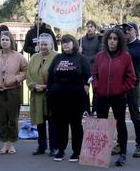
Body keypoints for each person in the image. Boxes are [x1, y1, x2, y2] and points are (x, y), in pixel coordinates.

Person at [92, 28, 136, 167]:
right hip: (101, 96)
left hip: (118, 97)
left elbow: (131, 78)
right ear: (106, 40)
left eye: (115, 39)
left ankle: (122, 153)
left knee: (121, 124)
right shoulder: (100, 56)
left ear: (119, 41)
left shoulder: (125, 56)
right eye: (110, 38)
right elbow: (94, 75)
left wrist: (121, 90)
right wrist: (97, 87)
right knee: (101, 125)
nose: (112, 41)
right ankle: (100, 154)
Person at [48, 34, 90, 162]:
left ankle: (77, 152)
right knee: (60, 124)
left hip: (76, 98)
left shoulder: (81, 58)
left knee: (76, 125)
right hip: (58, 99)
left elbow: (88, 77)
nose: (65, 44)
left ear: (74, 43)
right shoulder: (57, 58)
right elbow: (50, 76)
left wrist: (85, 90)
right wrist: (50, 91)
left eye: (68, 42)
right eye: (63, 42)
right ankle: (61, 150)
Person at [0, 31, 28, 154]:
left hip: (13, 90)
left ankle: (12, 143)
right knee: (1, 117)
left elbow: (25, 71)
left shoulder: (19, 57)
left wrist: (16, 79)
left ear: (11, 42)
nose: (4, 42)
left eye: (7, 40)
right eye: (2, 40)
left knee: (13, 118)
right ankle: (5, 143)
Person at [116, 22, 140, 158]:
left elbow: (130, 56)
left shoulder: (139, 45)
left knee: (135, 115)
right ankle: (120, 143)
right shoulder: (121, 46)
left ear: (135, 31)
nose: (126, 32)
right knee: (119, 116)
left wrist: (121, 43)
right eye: (124, 30)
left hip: (133, 84)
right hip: (119, 84)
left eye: (128, 29)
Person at [27, 34, 59, 156]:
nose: (43, 46)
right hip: (37, 95)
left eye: (46, 44)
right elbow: (28, 75)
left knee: (52, 122)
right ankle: (41, 146)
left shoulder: (57, 57)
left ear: (51, 44)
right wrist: (34, 86)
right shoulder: (34, 57)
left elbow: (58, 76)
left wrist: (47, 86)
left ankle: (54, 147)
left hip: (51, 95)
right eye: (41, 44)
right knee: (40, 122)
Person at [79, 20, 102, 115]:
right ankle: (85, 110)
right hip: (84, 69)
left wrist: (86, 57)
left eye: (91, 26)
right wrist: (79, 51)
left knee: (96, 89)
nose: (89, 28)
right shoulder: (82, 40)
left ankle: (95, 109)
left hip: (95, 68)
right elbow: (78, 54)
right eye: (88, 26)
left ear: (95, 28)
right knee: (85, 89)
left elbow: (99, 53)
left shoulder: (98, 39)